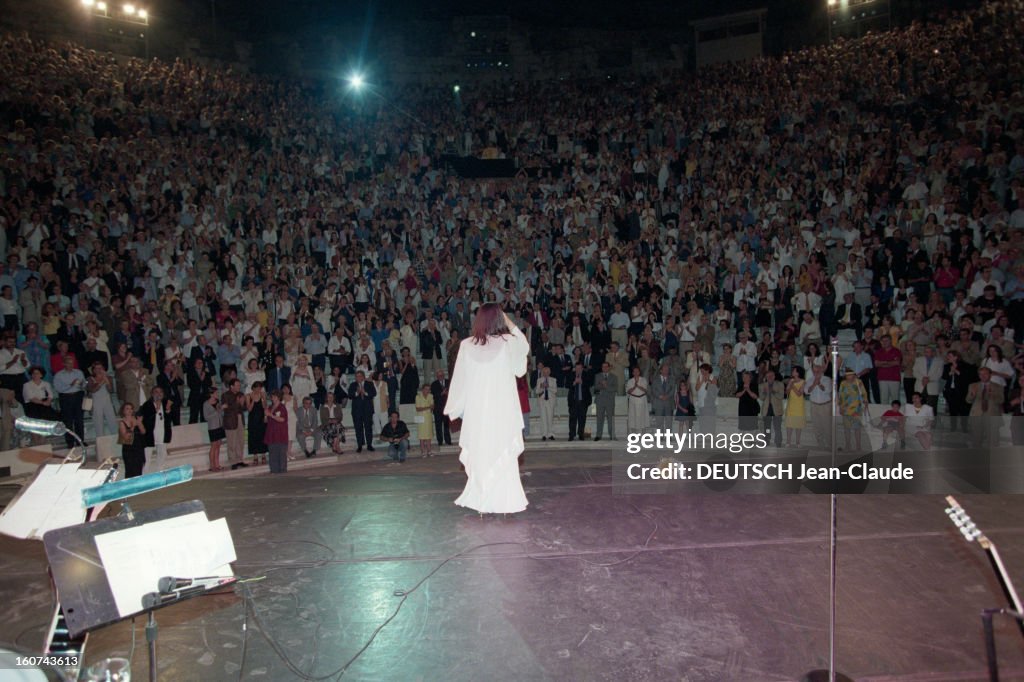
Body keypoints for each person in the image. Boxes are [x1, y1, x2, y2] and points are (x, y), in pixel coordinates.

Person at [444, 303, 530, 514]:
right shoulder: (508, 341)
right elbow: (524, 347)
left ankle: (483, 503)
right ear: (499, 319)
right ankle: (503, 504)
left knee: (482, 455)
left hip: (479, 415)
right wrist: (509, 322)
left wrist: (457, 408)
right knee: (501, 455)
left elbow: (459, 382)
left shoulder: (466, 345)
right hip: (501, 414)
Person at [53, 354, 87, 449]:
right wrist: (71, 385)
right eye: (68, 363)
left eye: (72, 363)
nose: (71, 365)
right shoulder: (59, 375)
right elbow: (58, 389)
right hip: (66, 397)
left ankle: (81, 440)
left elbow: (83, 385)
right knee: (67, 421)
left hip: (78, 396)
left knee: (79, 420)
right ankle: (70, 442)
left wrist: (81, 385)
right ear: (64, 364)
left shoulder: (78, 373)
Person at [967, 366, 1004, 448]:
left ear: (990, 375)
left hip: (992, 415)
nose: (983, 376)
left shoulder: (998, 386)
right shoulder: (973, 385)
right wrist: (972, 394)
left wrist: (992, 394)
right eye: (981, 374)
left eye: (985, 374)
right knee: (976, 440)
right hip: (976, 415)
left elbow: (1001, 400)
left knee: (993, 441)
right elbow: (968, 400)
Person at [138, 386, 172, 474]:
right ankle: (144, 477)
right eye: (156, 392)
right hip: (150, 435)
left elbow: (168, 420)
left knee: (162, 455)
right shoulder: (147, 405)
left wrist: (168, 411)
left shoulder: (165, 404)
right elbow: (144, 419)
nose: (159, 394)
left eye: (161, 392)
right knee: (146, 458)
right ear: (152, 394)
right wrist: (155, 410)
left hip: (162, 434)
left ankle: (160, 474)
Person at [837, 369, 869, 451]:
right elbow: (840, 395)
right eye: (847, 375)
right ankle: (848, 445)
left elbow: (864, 393)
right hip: (845, 409)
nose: (848, 377)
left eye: (850, 375)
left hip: (856, 409)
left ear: (854, 375)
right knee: (846, 429)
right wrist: (840, 407)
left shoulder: (859, 382)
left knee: (857, 428)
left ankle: (858, 446)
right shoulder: (843, 383)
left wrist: (865, 402)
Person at [804, 364, 833, 450]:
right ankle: (821, 445)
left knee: (827, 426)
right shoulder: (810, 380)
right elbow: (806, 392)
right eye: (814, 371)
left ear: (821, 370)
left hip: (825, 406)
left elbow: (827, 390)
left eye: (818, 371)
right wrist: (814, 384)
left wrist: (819, 383)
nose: (816, 372)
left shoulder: (827, 379)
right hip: (814, 405)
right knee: (816, 426)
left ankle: (830, 445)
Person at [348, 370, 376, 453]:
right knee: (358, 428)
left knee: (368, 428)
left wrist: (365, 392)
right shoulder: (353, 385)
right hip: (357, 411)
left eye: (360, 376)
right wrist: (357, 392)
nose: (358, 378)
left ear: (363, 377)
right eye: (357, 376)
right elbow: (350, 396)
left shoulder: (369, 384)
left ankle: (369, 445)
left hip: (367, 410)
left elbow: (374, 393)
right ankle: (360, 445)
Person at [222, 378, 248, 469]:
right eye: (237, 385)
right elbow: (226, 408)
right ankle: (233, 461)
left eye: (239, 385)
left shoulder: (241, 394)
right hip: (230, 420)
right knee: (231, 442)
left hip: (240, 418)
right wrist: (237, 403)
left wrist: (243, 403)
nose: (239, 387)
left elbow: (244, 408)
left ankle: (240, 459)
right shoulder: (225, 395)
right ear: (231, 386)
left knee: (240, 440)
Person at [86, 362, 117, 439]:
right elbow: (93, 390)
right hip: (96, 402)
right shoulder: (90, 379)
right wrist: (102, 381)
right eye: (97, 368)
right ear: (93, 370)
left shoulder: (108, 377)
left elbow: (111, 390)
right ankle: (100, 441)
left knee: (112, 420)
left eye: (100, 368)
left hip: (107, 401)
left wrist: (106, 379)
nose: (99, 370)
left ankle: (115, 438)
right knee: (98, 423)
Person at [118, 402, 146, 478]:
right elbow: (126, 437)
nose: (130, 410)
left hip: (138, 447)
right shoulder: (122, 422)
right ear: (123, 411)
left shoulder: (136, 419)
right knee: (130, 470)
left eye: (131, 408)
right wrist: (133, 426)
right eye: (127, 408)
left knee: (139, 469)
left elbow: (143, 432)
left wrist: (139, 423)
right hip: (129, 449)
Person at [264, 390, 289, 473]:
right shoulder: (270, 407)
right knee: (272, 453)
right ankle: (273, 470)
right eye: (272, 396)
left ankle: (282, 470)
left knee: (281, 453)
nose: (272, 398)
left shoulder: (282, 407)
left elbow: (282, 419)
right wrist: (265, 415)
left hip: (280, 433)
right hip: (271, 432)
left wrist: (271, 415)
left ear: (278, 397)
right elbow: (266, 421)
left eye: (274, 396)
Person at [593, 361, 618, 440]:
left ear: (609, 367)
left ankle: (612, 435)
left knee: (611, 419)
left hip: (610, 401)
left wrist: (605, 385)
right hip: (600, 400)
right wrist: (602, 386)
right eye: (603, 367)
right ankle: (598, 435)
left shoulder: (614, 377)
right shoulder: (597, 376)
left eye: (606, 366)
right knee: (599, 418)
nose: (605, 368)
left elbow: (614, 389)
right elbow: (595, 389)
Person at [567, 361, 591, 441]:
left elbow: (590, 384)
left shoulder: (586, 375)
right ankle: (572, 435)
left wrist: (582, 382)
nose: (578, 370)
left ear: (582, 369)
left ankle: (581, 434)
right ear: (575, 368)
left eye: (580, 368)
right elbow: (567, 384)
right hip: (573, 401)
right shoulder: (571, 375)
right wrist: (574, 383)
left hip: (583, 401)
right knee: (572, 419)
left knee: (582, 419)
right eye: (576, 368)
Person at [759, 369, 784, 447]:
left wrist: (772, 391)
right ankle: (767, 440)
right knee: (767, 427)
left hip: (777, 409)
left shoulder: (780, 384)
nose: (769, 377)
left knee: (777, 427)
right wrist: (765, 392)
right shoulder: (762, 385)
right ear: (766, 377)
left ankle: (778, 442)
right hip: (767, 409)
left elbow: (781, 396)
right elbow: (762, 398)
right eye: (768, 376)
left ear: (774, 376)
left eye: (771, 376)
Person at [247, 381, 268, 465]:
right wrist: (253, 399)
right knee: (253, 436)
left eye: (260, 388)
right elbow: (249, 409)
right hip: (252, 419)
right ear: (253, 388)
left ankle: (263, 455)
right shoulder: (248, 396)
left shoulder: (262, 395)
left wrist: (263, 398)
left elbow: (265, 406)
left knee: (262, 435)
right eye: (257, 388)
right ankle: (255, 456)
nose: (258, 390)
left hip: (261, 418)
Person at [203, 388, 225, 472]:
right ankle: (212, 466)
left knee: (218, 445)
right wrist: (217, 410)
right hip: (212, 427)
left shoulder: (217, 402)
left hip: (219, 426)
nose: (217, 394)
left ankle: (217, 464)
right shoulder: (206, 404)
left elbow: (220, 413)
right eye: (216, 393)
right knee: (213, 446)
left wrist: (221, 409)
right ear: (211, 394)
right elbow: (206, 417)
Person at [784, 367, 806, 446]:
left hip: (799, 405)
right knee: (789, 423)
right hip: (791, 404)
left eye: (794, 371)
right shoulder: (791, 380)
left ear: (798, 373)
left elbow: (799, 394)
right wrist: (790, 384)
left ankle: (798, 442)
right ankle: (788, 441)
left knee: (798, 424)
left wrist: (793, 386)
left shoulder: (803, 382)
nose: (792, 372)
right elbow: (786, 392)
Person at [429, 369, 452, 446]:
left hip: (446, 407)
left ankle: (448, 441)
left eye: (441, 375)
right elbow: (433, 395)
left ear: (443, 375)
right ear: (437, 376)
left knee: (446, 426)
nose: (440, 377)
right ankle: (440, 441)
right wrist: (442, 393)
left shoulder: (448, 382)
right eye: (439, 376)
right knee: (438, 426)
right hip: (438, 408)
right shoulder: (434, 384)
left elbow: (453, 391)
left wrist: (448, 393)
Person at [625, 366, 650, 433]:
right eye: (634, 371)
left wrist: (638, 385)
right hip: (633, 400)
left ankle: (642, 434)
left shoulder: (643, 380)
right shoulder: (630, 381)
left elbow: (645, 390)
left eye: (637, 371)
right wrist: (634, 386)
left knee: (642, 417)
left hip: (642, 399)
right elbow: (628, 391)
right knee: (633, 417)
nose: (636, 373)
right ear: (633, 373)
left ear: (639, 372)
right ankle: (634, 434)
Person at [651, 365, 674, 429]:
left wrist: (667, 396)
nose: (666, 370)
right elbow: (653, 390)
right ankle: (659, 437)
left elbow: (673, 390)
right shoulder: (655, 379)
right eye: (664, 369)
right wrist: (660, 396)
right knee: (659, 422)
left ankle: (668, 437)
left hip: (668, 403)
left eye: (667, 369)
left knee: (669, 423)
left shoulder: (672, 379)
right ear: (660, 370)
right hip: (658, 403)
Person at [415, 383, 435, 457]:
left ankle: (429, 451)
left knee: (429, 435)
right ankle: (423, 451)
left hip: (428, 417)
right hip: (421, 418)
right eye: (426, 389)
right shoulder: (418, 396)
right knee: (422, 436)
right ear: (422, 389)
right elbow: (418, 408)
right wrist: (428, 407)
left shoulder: (431, 396)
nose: (427, 391)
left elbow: (432, 407)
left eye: (429, 389)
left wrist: (428, 407)